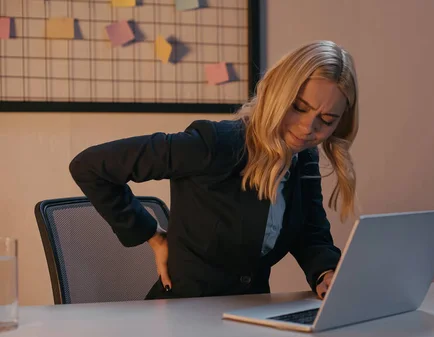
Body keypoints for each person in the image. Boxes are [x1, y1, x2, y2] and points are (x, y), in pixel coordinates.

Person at [69, 40, 359, 300]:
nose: (309, 127)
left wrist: (326, 273)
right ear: (277, 93)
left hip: (251, 316)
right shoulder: (215, 145)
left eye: (327, 119)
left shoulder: (303, 156)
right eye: (298, 107)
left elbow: (310, 233)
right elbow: (91, 166)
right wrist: (152, 235)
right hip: (182, 315)